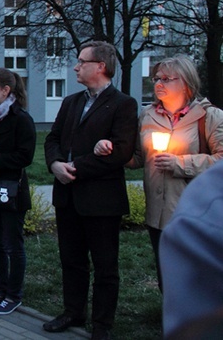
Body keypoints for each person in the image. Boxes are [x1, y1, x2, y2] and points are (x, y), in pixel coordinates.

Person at [94, 55, 223, 291]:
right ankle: (171, 323)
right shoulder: (147, 116)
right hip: (158, 215)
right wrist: (112, 150)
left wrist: (180, 163)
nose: (158, 84)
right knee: (168, 277)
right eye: (156, 78)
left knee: (198, 279)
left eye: (166, 78)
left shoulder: (210, 117)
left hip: (197, 214)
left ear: (185, 82)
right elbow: (138, 159)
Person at [43, 41, 138, 340]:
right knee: (71, 260)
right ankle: (73, 311)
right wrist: (56, 164)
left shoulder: (123, 104)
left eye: (81, 61)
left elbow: (121, 152)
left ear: (100, 66)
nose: (75, 66)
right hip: (67, 196)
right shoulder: (71, 101)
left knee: (105, 265)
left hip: (100, 200)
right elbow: (52, 139)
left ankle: (102, 324)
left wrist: (76, 169)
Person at [0, 68, 36, 315]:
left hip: (11, 191)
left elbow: (24, 156)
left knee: (12, 244)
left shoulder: (20, 119)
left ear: (6, 90)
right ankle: (0, 290)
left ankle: (14, 294)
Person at [159, 160, 223, 337]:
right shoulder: (201, 213)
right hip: (159, 208)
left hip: (180, 196)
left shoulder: (206, 207)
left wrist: (178, 163)